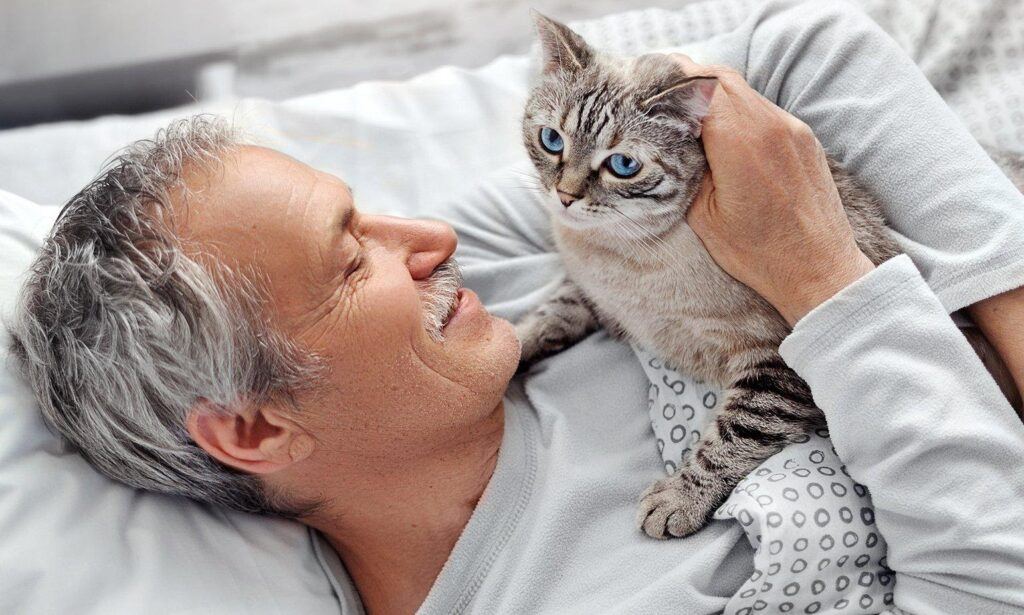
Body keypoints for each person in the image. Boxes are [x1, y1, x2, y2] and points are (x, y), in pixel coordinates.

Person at [8, 1, 1024, 613]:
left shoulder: (474, 298)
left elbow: (803, 52)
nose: (432, 241)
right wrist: (821, 279)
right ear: (257, 427)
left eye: (367, 212)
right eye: (351, 259)